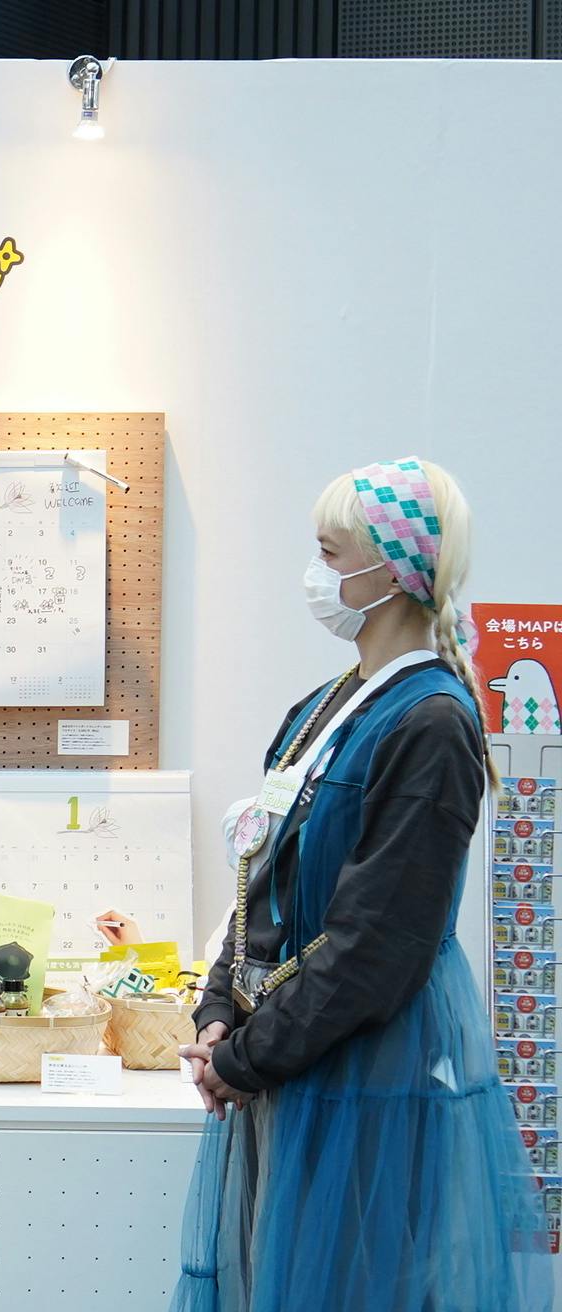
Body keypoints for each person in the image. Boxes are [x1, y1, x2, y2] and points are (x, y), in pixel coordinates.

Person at [170, 459, 548, 1312]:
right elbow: (260, 875)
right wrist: (219, 1007)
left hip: (361, 1069)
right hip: (290, 1060)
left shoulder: (431, 722)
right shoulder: (323, 709)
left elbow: (378, 942)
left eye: (331, 553)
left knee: (349, 1286)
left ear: (393, 568)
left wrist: (246, 1058)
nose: (317, 574)